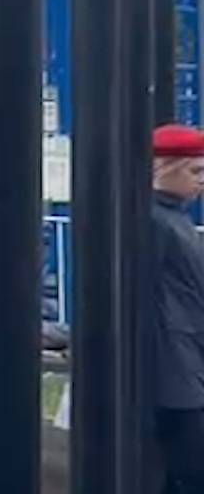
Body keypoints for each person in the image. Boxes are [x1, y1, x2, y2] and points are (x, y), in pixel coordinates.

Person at [147, 124, 204, 491]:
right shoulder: (158, 222)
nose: (202, 181)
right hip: (175, 367)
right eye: (194, 170)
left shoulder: (171, 219)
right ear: (162, 169)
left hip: (180, 363)